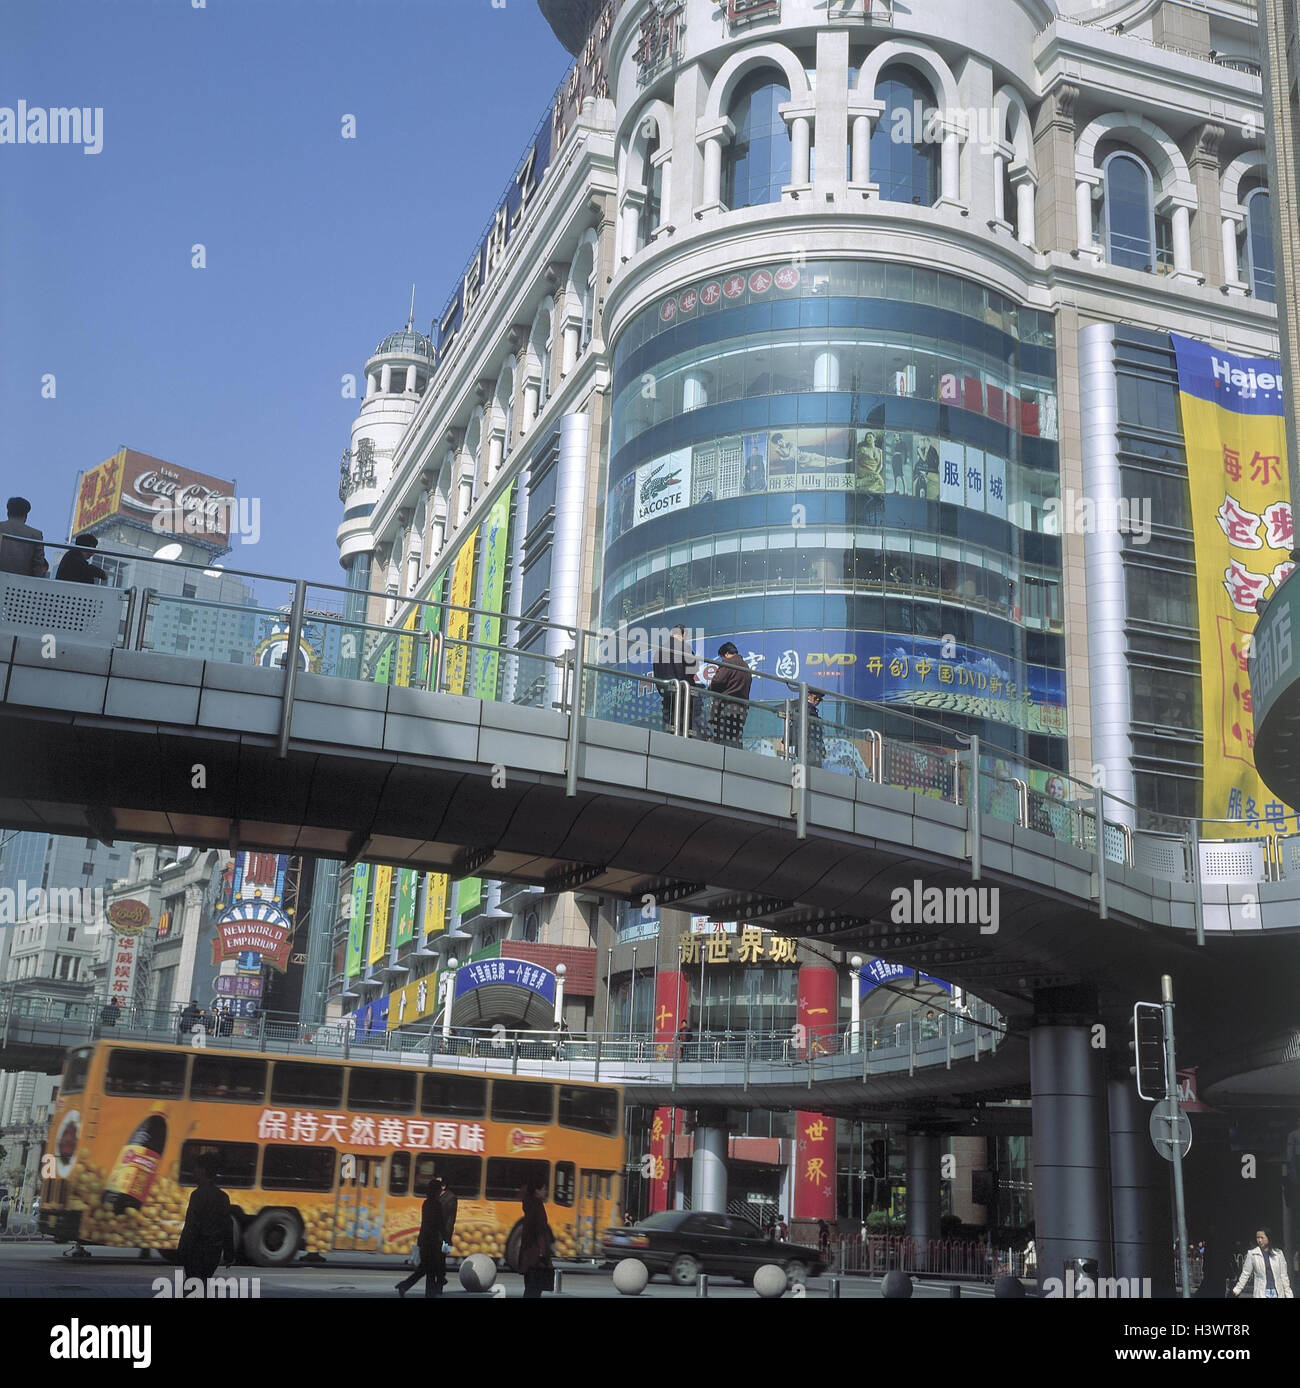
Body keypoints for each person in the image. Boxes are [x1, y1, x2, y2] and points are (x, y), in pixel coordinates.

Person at [176, 1155, 234, 1284]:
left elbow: (191, 1226)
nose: (193, 1171)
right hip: (213, 1253)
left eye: (195, 1168)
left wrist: (181, 1251)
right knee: (202, 1284)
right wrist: (229, 1254)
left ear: (203, 1170)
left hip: (196, 1252)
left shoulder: (197, 1195)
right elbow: (227, 1226)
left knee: (193, 1286)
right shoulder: (223, 1197)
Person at [396, 1177, 447, 1297]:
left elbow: (426, 1224)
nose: (440, 1192)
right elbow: (439, 1223)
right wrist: (446, 1238)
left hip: (424, 1240)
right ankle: (428, 1293)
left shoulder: (426, 1203)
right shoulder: (436, 1205)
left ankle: (405, 1286)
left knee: (425, 1269)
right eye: (439, 1190)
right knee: (429, 1270)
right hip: (431, 1241)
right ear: (436, 1191)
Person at [651, 626, 699, 734]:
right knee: (684, 725)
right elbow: (693, 667)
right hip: (683, 693)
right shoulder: (684, 648)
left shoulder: (659, 651)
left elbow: (657, 673)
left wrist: (662, 689)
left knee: (669, 725)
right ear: (682, 635)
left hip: (667, 693)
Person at [708, 642, 753, 747]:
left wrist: (711, 688)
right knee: (735, 740)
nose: (723, 660)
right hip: (741, 710)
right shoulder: (746, 666)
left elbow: (717, 681)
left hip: (726, 708)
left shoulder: (729, 663)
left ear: (727, 653)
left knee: (723, 741)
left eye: (722, 657)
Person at [1232, 1228, 1293, 1298]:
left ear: (1268, 1238)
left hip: (1277, 1292)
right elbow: (1245, 1274)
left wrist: (1288, 1294)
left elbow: (1284, 1275)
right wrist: (1237, 1289)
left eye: (1262, 1237)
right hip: (1261, 1292)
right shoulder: (1252, 1254)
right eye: (1257, 1238)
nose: (1260, 1240)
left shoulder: (1278, 1253)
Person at [518, 1180, 554, 1298]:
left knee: (530, 1287)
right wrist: (542, 1252)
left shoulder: (529, 1204)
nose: (546, 1191)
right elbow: (540, 1230)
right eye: (544, 1189)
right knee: (534, 1289)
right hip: (536, 1256)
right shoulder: (537, 1206)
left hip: (529, 1254)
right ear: (537, 1191)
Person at [0, 497, 48, 576]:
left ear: (8, 512)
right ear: (25, 515)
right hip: (22, 584)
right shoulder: (35, 534)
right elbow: (38, 565)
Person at [804, 688, 825, 767]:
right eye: (815, 698)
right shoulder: (807, 708)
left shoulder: (812, 709)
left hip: (813, 748)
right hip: (810, 749)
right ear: (808, 696)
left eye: (820, 700)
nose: (817, 701)